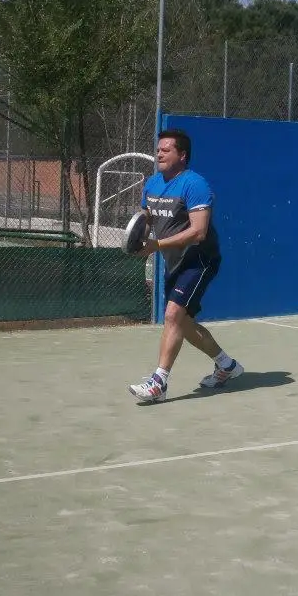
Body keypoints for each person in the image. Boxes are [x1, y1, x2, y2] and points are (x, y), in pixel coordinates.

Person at [128, 128, 243, 402]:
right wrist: (141, 237)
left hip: (199, 259)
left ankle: (159, 384)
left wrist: (157, 246)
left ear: (182, 155)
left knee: (172, 316)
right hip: (174, 262)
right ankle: (227, 365)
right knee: (184, 323)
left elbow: (198, 231)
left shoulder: (194, 184)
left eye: (166, 150)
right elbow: (149, 218)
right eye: (158, 149)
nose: (159, 153)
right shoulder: (152, 184)